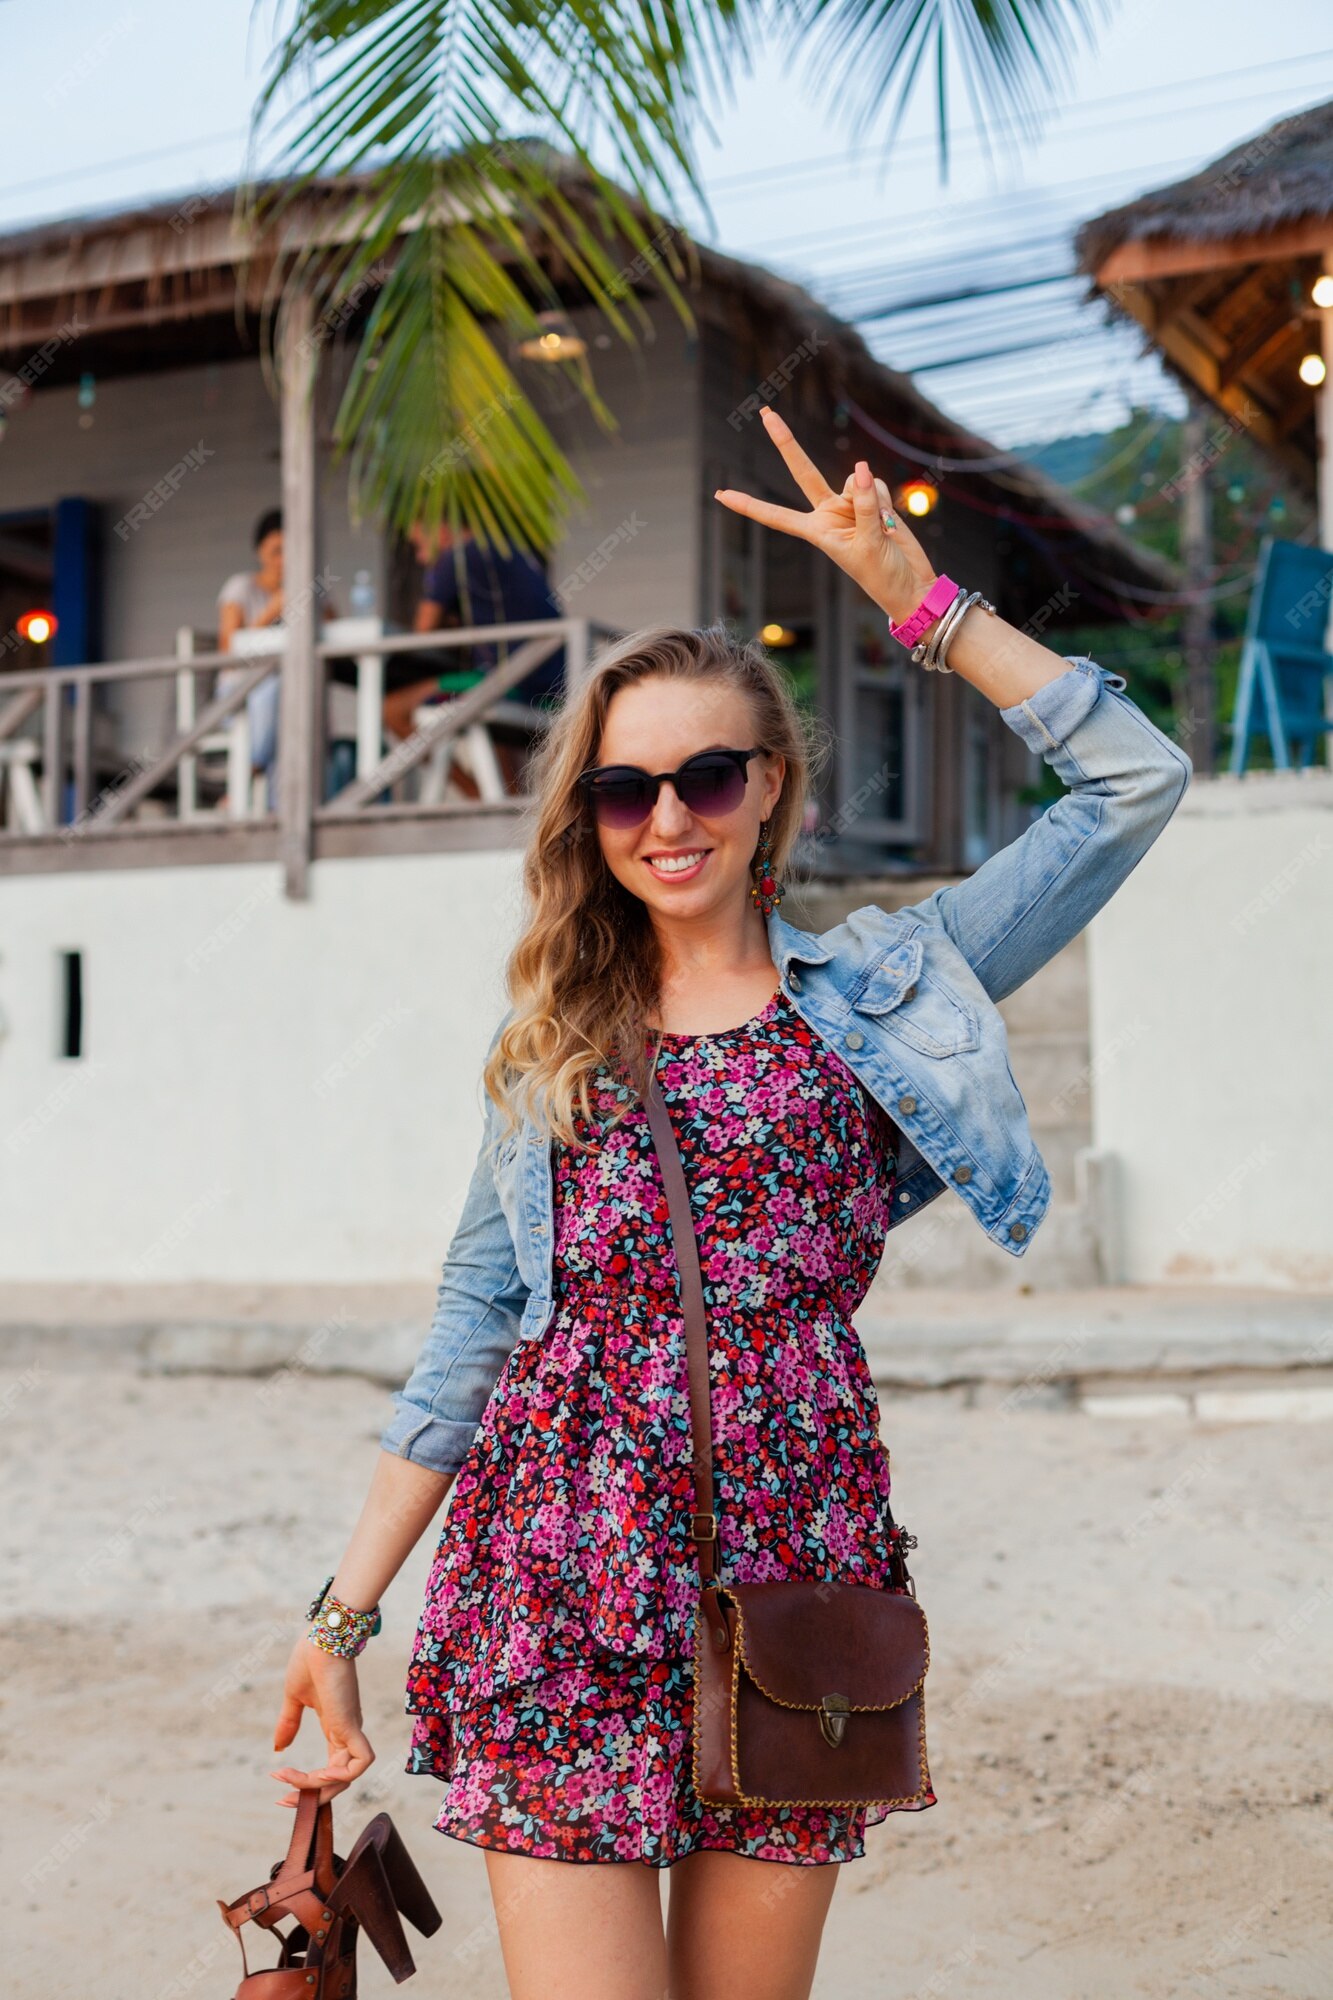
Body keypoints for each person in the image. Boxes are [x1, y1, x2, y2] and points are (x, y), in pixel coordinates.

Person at [269, 408, 1192, 1999]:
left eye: (706, 774)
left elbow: (1128, 780)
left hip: (796, 1579)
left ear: (771, 786)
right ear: (591, 820)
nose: (668, 817)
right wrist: (339, 1621)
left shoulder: (894, 990)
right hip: (556, 1571)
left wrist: (922, 599)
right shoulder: (546, 1047)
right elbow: (472, 1340)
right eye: (626, 791)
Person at [381, 520, 566, 746]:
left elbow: (422, 629)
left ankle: (472, 785)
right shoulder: (501, 548)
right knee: (486, 720)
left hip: (518, 686)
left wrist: (435, 578)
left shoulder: (456, 557)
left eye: (419, 545)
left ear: (441, 527)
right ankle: (501, 784)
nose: (420, 557)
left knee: (392, 710)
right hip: (553, 687)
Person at [215, 508, 286, 808]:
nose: (283, 560)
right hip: (238, 690)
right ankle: (249, 772)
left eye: (289, 550)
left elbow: (332, 626)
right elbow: (228, 651)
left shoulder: (304, 588)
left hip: (281, 694)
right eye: (276, 551)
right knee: (275, 692)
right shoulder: (240, 587)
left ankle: (277, 810)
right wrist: (271, 612)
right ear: (260, 552)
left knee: (292, 702)